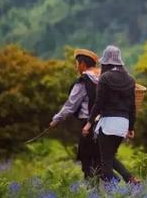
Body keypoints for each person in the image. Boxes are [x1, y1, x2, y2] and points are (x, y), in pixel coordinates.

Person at [49, 48, 134, 181]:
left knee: (89, 162)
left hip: (90, 126)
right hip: (109, 122)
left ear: (82, 64)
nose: (77, 67)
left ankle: (109, 187)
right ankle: (125, 182)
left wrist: (56, 120)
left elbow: (70, 106)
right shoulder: (107, 77)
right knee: (104, 159)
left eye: (77, 64)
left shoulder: (84, 81)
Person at [82, 45, 136, 183]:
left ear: (106, 62)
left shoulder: (105, 78)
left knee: (104, 162)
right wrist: (131, 127)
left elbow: (98, 103)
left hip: (108, 124)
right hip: (123, 124)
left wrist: (88, 124)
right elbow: (132, 106)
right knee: (109, 157)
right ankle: (130, 179)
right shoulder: (130, 79)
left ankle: (116, 189)